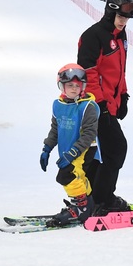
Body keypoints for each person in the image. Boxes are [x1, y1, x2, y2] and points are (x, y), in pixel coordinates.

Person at [77, 0, 133, 216]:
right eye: (120, 16)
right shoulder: (94, 36)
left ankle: (90, 197)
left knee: (101, 153)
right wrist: (99, 104)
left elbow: (118, 72)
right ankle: (103, 199)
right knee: (116, 149)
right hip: (94, 106)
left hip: (109, 104)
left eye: (126, 18)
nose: (123, 21)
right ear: (110, 12)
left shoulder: (121, 37)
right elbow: (89, 73)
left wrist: (124, 96)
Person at [40, 64, 101, 227]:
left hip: (84, 148)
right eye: (70, 85)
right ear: (62, 86)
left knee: (66, 176)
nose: (74, 89)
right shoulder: (58, 105)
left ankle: (80, 207)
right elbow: (55, 129)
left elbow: (89, 134)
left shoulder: (88, 106)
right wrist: (47, 148)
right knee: (78, 177)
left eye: (77, 85)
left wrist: (73, 153)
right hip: (68, 150)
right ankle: (87, 205)